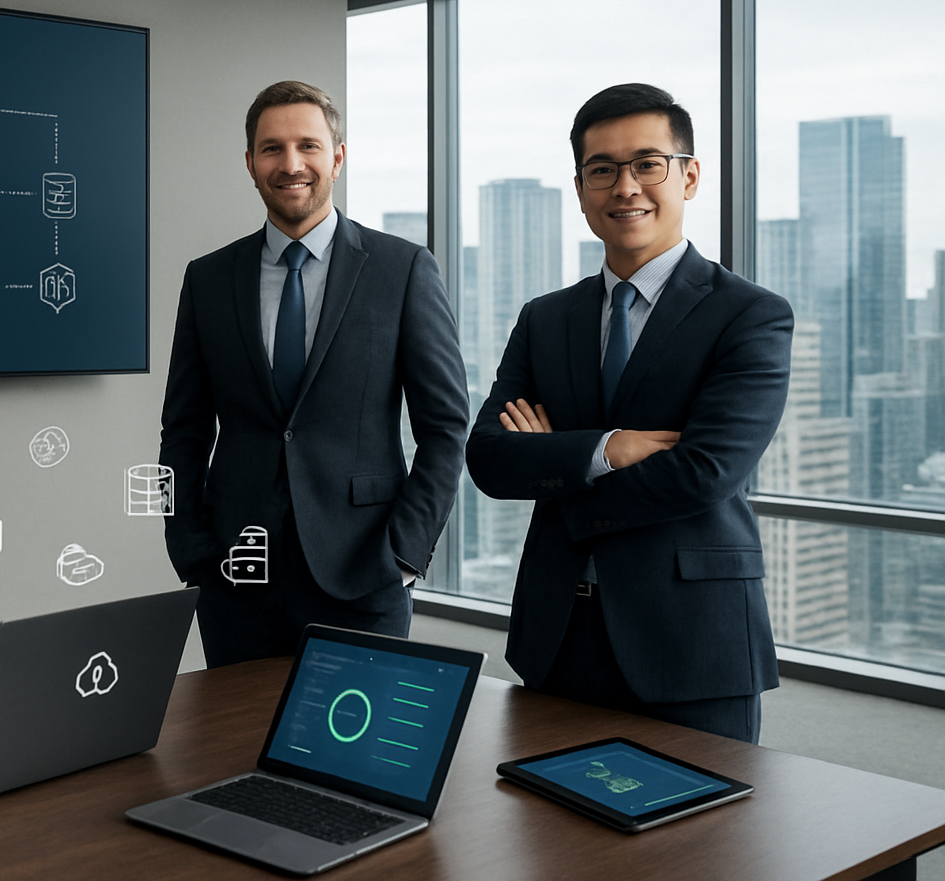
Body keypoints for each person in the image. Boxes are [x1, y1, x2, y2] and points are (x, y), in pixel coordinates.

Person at [465, 83, 792, 743]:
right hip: (558, 635)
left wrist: (560, 473)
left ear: (689, 176)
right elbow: (490, 457)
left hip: (692, 642)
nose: (626, 187)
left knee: (700, 844)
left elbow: (706, 471)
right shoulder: (546, 318)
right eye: (602, 170)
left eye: (648, 164)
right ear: (582, 186)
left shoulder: (748, 314)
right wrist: (607, 449)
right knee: (552, 838)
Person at [159, 80, 468, 667]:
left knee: (355, 753)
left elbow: (447, 426)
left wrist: (404, 555)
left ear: (338, 157)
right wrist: (190, 550)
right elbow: (182, 431)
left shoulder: (402, 270)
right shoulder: (208, 278)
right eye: (272, 149)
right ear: (250, 164)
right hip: (235, 576)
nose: (291, 164)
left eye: (308, 145)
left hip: (365, 571)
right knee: (234, 751)